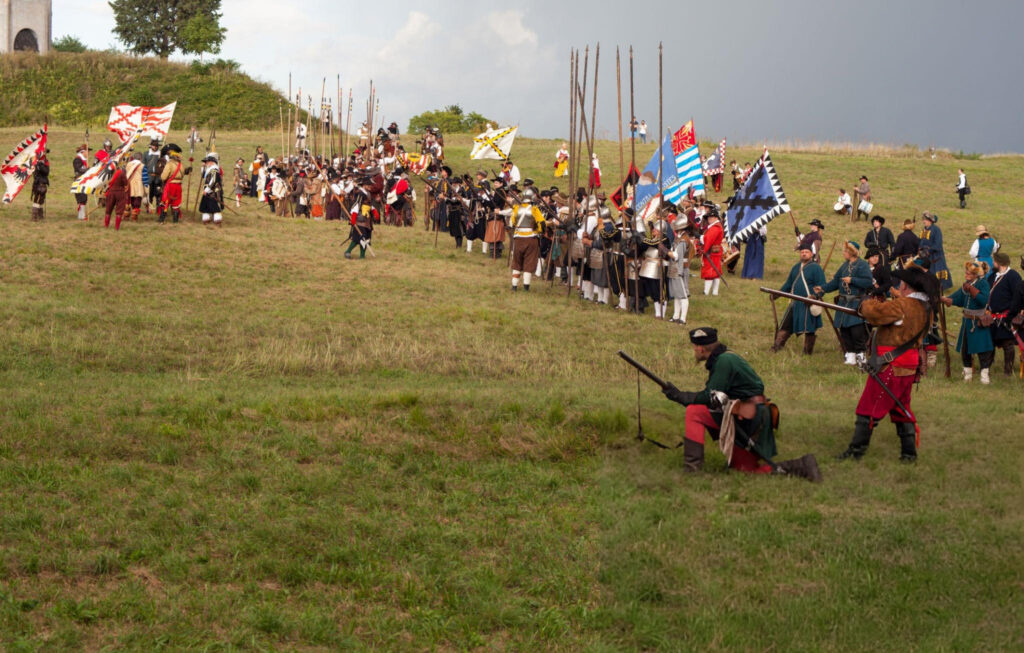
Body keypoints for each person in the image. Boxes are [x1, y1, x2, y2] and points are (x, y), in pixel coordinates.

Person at [660, 327, 821, 481]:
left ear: (701, 349)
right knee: (740, 468)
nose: (694, 350)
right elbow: (718, 398)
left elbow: (710, 396)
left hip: (750, 418)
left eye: (694, 346)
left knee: (695, 412)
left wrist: (681, 396)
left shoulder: (724, 361)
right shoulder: (724, 358)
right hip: (747, 414)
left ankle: (800, 466)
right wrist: (682, 396)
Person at [836, 266, 939, 463]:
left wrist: (865, 304)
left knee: (869, 406)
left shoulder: (903, 305)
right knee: (901, 407)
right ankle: (909, 455)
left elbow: (876, 314)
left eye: (901, 283)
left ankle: (856, 452)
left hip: (890, 364)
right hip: (908, 365)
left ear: (905, 285)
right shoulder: (926, 308)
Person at [816, 241, 873, 365]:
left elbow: (868, 282)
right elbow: (836, 281)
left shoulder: (862, 265)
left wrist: (852, 280)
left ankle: (861, 357)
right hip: (843, 302)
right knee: (844, 330)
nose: (843, 253)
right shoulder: (844, 265)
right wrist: (823, 288)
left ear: (852, 252)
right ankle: (850, 355)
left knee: (856, 331)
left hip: (855, 303)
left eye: (845, 251)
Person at [942, 261, 995, 383]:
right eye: (966, 272)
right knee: (965, 349)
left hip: (978, 322)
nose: (966, 274)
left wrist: (971, 289)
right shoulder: (967, 284)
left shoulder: (983, 284)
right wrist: (947, 299)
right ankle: (967, 375)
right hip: (967, 322)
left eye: (969, 273)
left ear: (975, 275)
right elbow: (960, 299)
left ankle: (984, 376)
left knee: (983, 350)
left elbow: (983, 301)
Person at [772, 243, 826, 354]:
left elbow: (822, 286)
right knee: (785, 325)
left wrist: (815, 297)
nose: (804, 254)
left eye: (806, 252)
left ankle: (807, 352)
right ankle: (776, 347)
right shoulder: (796, 267)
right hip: (795, 302)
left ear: (811, 254)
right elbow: (788, 284)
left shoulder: (816, 268)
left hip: (808, 302)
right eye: (802, 252)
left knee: (809, 329)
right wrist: (777, 294)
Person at [986, 252, 1023, 376]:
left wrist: (1012, 314)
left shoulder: (1013, 276)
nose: (992, 263)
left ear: (999, 263)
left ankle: (1008, 372)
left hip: (1006, 316)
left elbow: (1017, 297)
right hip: (992, 317)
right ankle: (986, 369)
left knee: (1008, 344)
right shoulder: (992, 276)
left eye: (994, 261)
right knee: (989, 344)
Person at [506, 187, 546, 291]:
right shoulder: (534, 209)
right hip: (531, 239)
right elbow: (542, 223)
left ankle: (514, 286)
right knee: (529, 262)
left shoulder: (516, 208)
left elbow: (512, 223)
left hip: (518, 238)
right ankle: (526, 287)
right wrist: (539, 232)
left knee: (517, 262)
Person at [667, 215, 693, 324]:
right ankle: (676, 316)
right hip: (676, 267)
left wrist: (665, 251)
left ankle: (683, 318)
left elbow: (677, 256)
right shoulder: (680, 238)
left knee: (682, 294)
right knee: (677, 294)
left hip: (680, 268)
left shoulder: (683, 240)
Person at [345, 179, 377, 259]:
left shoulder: (368, 193)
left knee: (366, 239)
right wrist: (353, 218)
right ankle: (348, 251)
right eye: (369, 185)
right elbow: (356, 205)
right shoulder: (360, 193)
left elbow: (369, 204)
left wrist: (374, 211)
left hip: (367, 219)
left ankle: (362, 256)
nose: (370, 187)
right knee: (358, 238)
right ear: (365, 185)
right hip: (359, 219)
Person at [158, 143, 190, 223]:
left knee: (165, 201)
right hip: (178, 186)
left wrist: (162, 179)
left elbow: (163, 177)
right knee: (176, 202)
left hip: (170, 185)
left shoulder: (169, 164)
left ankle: (162, 219)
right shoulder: (181, 165)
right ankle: (175, 220)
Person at [919, 211, 952, 290]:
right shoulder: (924, 230)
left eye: (925, 220)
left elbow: (938, 244)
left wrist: (928, 251)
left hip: (936, 256)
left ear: (930, 220)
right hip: (925, 256)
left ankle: (940, 287)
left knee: (936, 271)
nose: (924, 221)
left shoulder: (936, 230)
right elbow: (921, 241)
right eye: (923, 219)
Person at [700, 208, 724, 296]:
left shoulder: (715, 228)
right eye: (709, 217)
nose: (709, 219)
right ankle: (714, 292)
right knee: (716, 272)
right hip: (715, 252)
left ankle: (707, 291)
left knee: (710, 272)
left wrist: (702, 242)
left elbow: (708, 240)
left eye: (711, 217)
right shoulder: (715, 226)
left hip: (712, 252)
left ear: (715, 218)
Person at [198, 153, 224, 227]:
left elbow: (213, 181)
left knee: (214, 206)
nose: (206, 163)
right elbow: (203, 175)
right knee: (205, 204)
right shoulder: (210, 169)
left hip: (213, 191)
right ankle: (206, 219)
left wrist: (206, 190)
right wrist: (203, 167)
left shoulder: (214, 170)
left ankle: (217, 220)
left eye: (207, 162)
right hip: (208, 190)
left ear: (212, 162)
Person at [103, 159, 130, 230]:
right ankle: (117, 227)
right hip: (120, 192)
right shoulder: (121, 173)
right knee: (119, 211)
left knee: (108, 210)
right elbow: (126, 183)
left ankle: (106, 226)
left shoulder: (108, 174)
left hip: (111, 192)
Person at [124, 152, 145, 222]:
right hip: (139, 185)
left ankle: (126, 216)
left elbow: (125, 174)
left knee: (128, 201)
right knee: (137, 202)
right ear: (140, 158)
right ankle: (134, 218)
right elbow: (145, 177)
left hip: (129, 184)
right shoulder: (142, 166)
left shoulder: (128, 164)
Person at [29, 149, 49, 221]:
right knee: (37, 200)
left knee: (41, 200)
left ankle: (40, 216)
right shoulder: (38, 164)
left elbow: (46, 172)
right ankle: (34, 217)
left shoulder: (42, 163)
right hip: (39, 184)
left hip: (42, 183)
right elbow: (45, 172)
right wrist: (41, 164)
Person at [72, 144, 90, 220]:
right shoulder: (77, 160)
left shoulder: (82, 160)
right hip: (79, 181)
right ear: (83, 152)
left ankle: (81, 215)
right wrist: (88, 170)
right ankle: (81, 216)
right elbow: (80, 169)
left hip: (83, 181)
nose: (88, 153)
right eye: (87, 151)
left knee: (84, 198)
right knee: (81, 198)